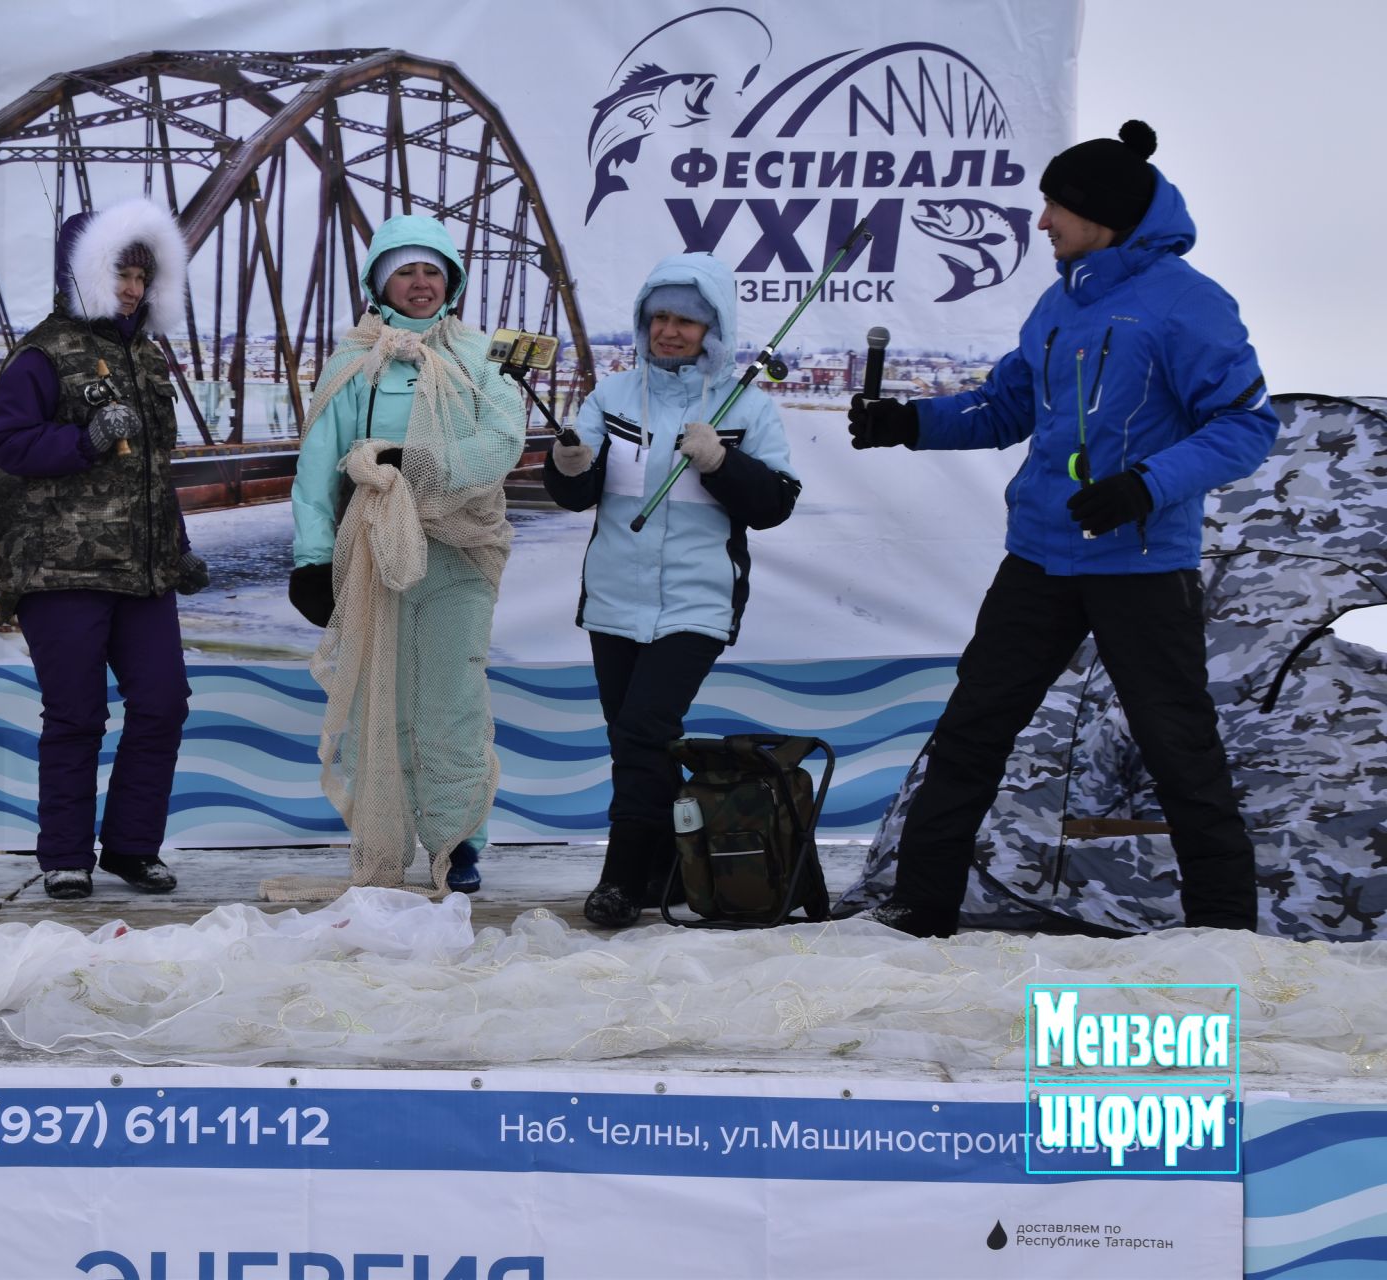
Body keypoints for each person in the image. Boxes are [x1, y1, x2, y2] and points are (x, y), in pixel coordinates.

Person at [847, 121, 1279, 938]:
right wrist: (908, 422)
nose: (1041, 220)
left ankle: (1225, 929)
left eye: (1054, 205)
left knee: (1176, 745)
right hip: (1040, 558)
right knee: (973, 727)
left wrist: (1145, 487)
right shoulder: (1060, 300)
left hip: (1143, 563)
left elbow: (1247, 423)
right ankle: (917, 908)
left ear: (1102, 215)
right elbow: (1007, 405)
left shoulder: (1188, 303)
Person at [544, 252, 801, 927]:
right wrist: (568, 463)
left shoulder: (748, 406)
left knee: (644, 731)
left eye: (685, 320)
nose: (670, 330)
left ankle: (620, 882)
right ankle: (676, 871)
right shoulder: (613, 397)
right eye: (659, 317)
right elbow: (575, 495)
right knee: (638, 743)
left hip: (698, 600)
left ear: (712, 327)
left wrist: (721, 461)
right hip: (612, 599)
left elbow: (773, 503)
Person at [289, 214, 525, 894]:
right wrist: (310, 560)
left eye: (432, 270)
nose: (420, 283)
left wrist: (414, 465)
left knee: (452, 702)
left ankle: (458, 843)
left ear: (450, 280)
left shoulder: (484, 357)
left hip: (459, 550)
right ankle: (382, 839)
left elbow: (502, 441)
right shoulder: (349, 365)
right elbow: (315, 477)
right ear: (379, 281)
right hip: (368, 552)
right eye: (406, 270)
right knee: (375, 703)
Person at [0, 198, 208, 901]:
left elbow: (153, 469)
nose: (131, 288)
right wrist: (80, 441)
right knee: (77, 713)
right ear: (80, 270)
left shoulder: (146, 359)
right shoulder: (40, 354)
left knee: (164, 702)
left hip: (142, 570)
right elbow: (9, 446)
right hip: (63, 566)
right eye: (118, 271)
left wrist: (179, 546)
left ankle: (133, 847)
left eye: (142, 275)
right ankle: (66, 856)